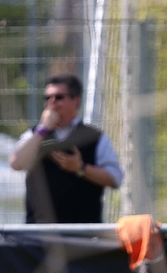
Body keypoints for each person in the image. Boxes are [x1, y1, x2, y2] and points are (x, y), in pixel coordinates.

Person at [9, 74, 124, 223]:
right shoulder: (35, 135)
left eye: (59, 97)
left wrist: (81, 168)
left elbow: (116, 178)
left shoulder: (94, 137)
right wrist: (42, 129)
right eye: (47, 98)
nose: (52, 102)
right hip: (39, 234)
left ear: (76, 101)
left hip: (83, 234)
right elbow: (16, 163)